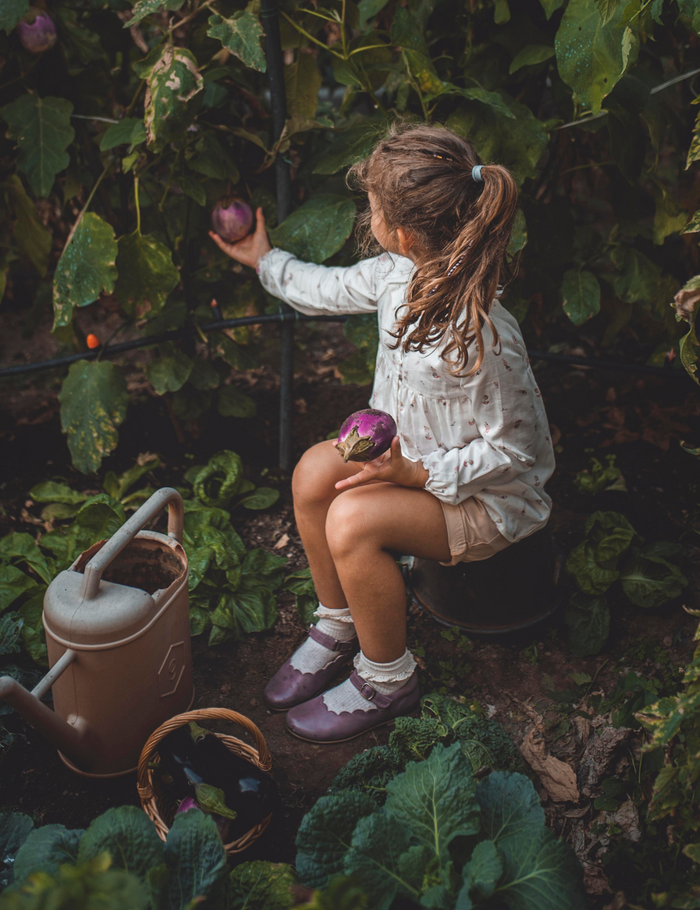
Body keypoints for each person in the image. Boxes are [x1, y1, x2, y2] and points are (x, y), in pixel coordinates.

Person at [209, 121, 555, 744]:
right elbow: (326, 288)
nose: (365, 216)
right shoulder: (396, 275)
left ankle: (387, 676)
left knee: (350, 522)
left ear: (399, 230)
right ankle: (338, 621)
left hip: (486, 501)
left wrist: (416, 475)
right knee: (314, 474)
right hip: (408, 467)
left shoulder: (484, 333)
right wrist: (266, 261)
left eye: (369, 206)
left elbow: (517, 451)